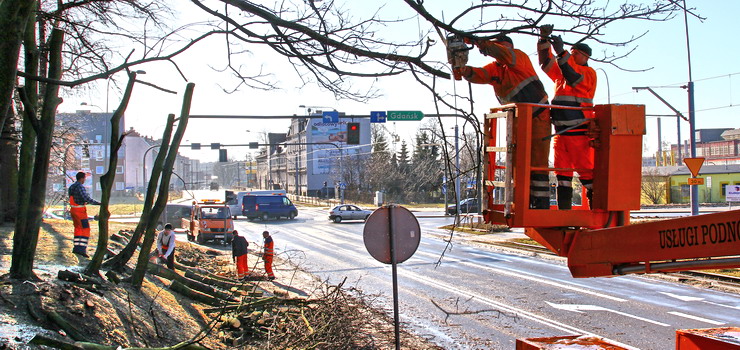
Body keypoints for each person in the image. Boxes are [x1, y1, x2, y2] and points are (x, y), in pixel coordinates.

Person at [454, 34, 552, 209]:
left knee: (538, 163)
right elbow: (479, 74)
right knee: (517, 163)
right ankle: (523, 202)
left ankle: (541, 205)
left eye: (501, 49)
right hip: (516, 122)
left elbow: (502, 53)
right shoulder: (495, 69)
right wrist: (463, 70)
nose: (500, 54)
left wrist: (476, 42)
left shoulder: (518, 57)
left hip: (538, 116)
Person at [537, 25, 597, 209]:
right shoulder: (561, 73)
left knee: (586, 173)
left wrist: (562, 52)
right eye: (571, 53)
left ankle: (597, 207)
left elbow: (573, 77)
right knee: (562, 174)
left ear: (586, 57)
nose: (572, 56)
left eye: (575, 53)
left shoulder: (588, 73)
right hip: (561, 133)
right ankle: (565, 212)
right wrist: (543, 40)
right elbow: (545, 63)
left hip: (579, 132)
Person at [68, 171, 100, 257]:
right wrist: (98, 203)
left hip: (73, 211)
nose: (85, 180)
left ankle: (76, 247)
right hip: (80, 211)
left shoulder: (71, 187)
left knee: (78, 229)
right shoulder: (80, 187)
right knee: (85, 229)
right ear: (82, 178)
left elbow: (75, 198)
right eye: (84, 178)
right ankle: (82, 249)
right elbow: (86, 198)